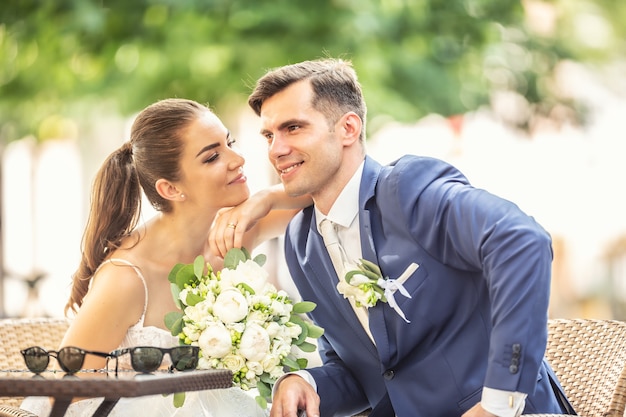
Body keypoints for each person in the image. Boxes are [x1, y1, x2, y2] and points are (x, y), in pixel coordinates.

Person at [242, 58, 576, 417]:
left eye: (293, 127)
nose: (276, 149)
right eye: (269, 135)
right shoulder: (300, 243)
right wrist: (304, 382)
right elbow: (365, 375)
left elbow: (523, 241)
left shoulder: (409, 191)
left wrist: (499, 403)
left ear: (348, 129)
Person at [20, 98, 311, 417]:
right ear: (170, 189)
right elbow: (58, 400)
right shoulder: (127, 278)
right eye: (213, 156)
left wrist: (266, 198)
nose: (237, 159)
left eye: (230, 143)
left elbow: (324, 191)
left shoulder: (234, 231)